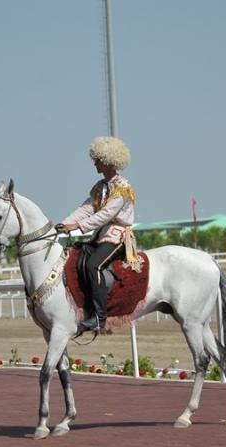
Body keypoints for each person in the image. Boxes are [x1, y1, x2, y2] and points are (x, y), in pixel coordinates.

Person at [55, 136, 141, 330]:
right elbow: (86, 209)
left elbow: (105, 214)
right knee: (78, 258)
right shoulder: (100, 187)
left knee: (94, 265)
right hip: (100, 236)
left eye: (98, 160)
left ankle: (100, 318)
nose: (95, 163)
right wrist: (63, 224)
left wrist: (76, 227)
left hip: (118, 236)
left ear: (110, 162)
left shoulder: (123, 187)